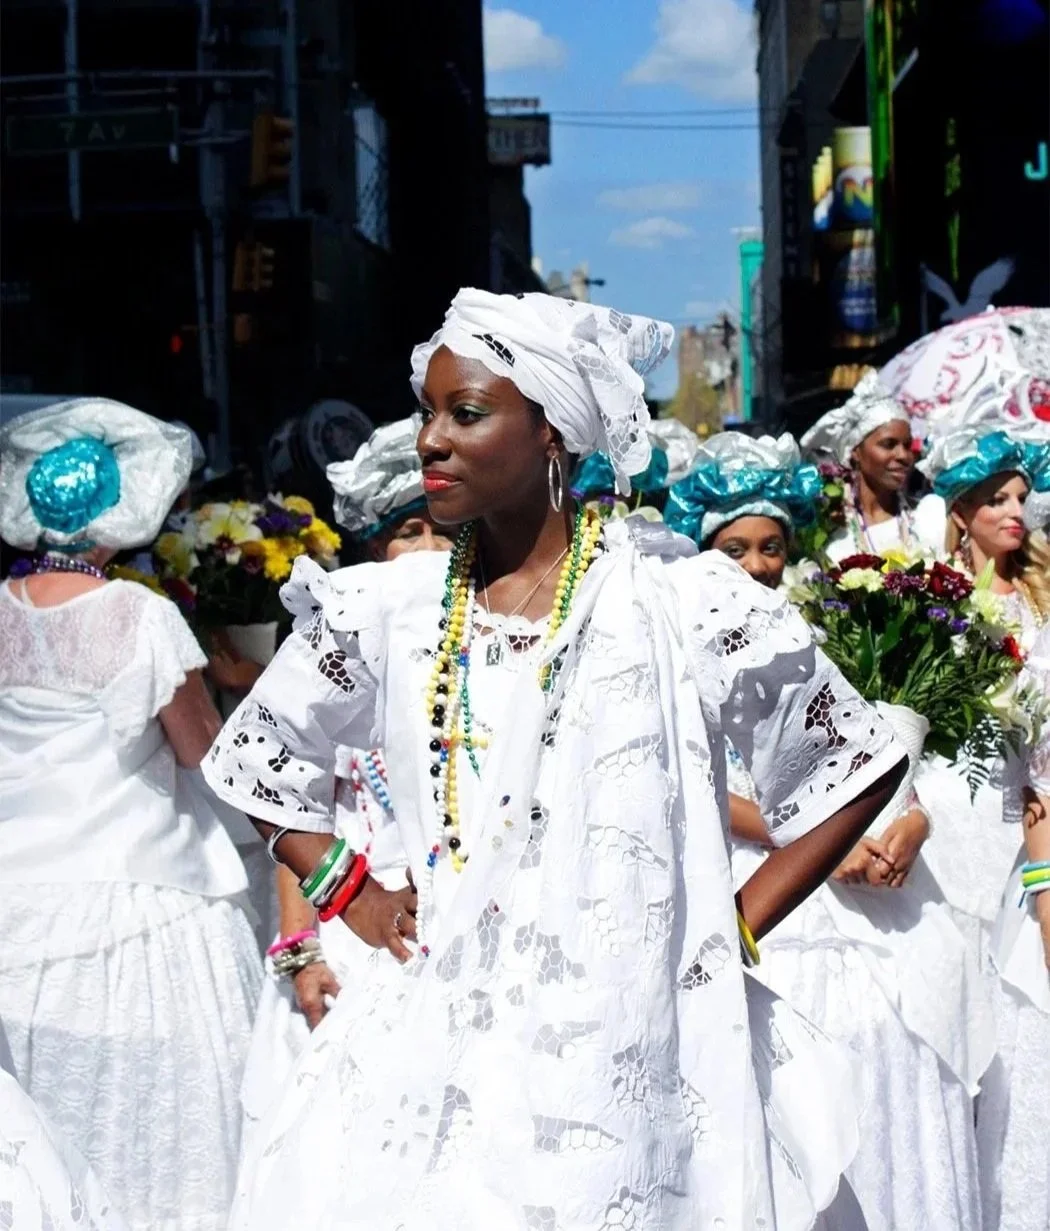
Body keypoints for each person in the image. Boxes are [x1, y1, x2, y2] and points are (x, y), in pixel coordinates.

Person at [203, 289, 906, 1230]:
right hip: (445, 1055)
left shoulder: (682, 603)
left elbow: (856, 765)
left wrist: (731, 924)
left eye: (467, 413)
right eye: (428, 414)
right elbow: (258, 756)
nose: (429, 442)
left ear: (551, 434)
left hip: (636, 1051)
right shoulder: (391, 610)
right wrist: (351, 891)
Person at [668, 429, 994, 1230]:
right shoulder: (687, 639)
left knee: (903, 1059)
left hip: (882, 888)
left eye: (771, 547)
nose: (755, 566)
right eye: (735, 548)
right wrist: (818, 840)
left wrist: (909, 823)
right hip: (777, 896)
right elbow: (703, 787)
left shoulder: (831, 625)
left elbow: (878, 755)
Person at [0, 398, 263, 1231]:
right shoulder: (139, 614)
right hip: (135, 895)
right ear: (119, 514)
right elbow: (201, 751)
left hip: (17, 900)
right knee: (157, 1121)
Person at [239, 417, 452, 1150]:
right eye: (409, 533)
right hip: (360, 917)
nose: (428, 551)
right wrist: (305, 946)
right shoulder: (346, 645)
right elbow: (291, 801)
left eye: (444, 533)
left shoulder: (482, 632)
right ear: (374, 547)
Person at [912, 402, 1050, 1231]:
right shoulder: (924, 599)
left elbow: (1040, 760)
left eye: (1022, 497)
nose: (1013, 511)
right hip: (935, 830)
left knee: (1011, 1036)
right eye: (996, 496)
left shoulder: (1039, 610)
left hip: (1010, 828)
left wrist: (1042, 877)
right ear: (960, 509)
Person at [801, 370, 944, 562]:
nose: (903, 455)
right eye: (888, 444)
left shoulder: (927, 517)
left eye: (908, 445)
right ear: (856, 451)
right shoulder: (828, 524)